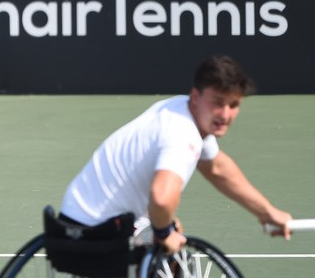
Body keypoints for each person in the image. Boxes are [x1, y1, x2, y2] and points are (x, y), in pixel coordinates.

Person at [59, 55, 292, 253]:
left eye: (234, 105)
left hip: (70, 224)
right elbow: (161, 197)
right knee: (168, 231)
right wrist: (163, 233)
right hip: (101, 237)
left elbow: (217, 168)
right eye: (218, 102)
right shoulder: (182, 134)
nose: (225, 114)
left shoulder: (177, 109)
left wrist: (267, 211)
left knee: (170, 227)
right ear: (196, 96)